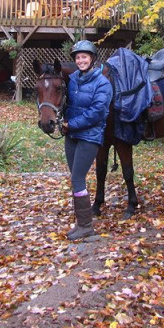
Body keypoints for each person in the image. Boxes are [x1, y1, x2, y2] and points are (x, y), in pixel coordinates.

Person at [59, 40, 113, 240]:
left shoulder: (102, 84)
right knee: (75, 178)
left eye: (84, 57)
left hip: (90, 136)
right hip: (72, 135)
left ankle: (86, 226)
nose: (81, 60)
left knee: (77, 178)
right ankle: (81, 223)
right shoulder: (72, 80)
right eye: (78, 57)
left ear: (92, 59)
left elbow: (98, 112)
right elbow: (67, 103)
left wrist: (72, 124)